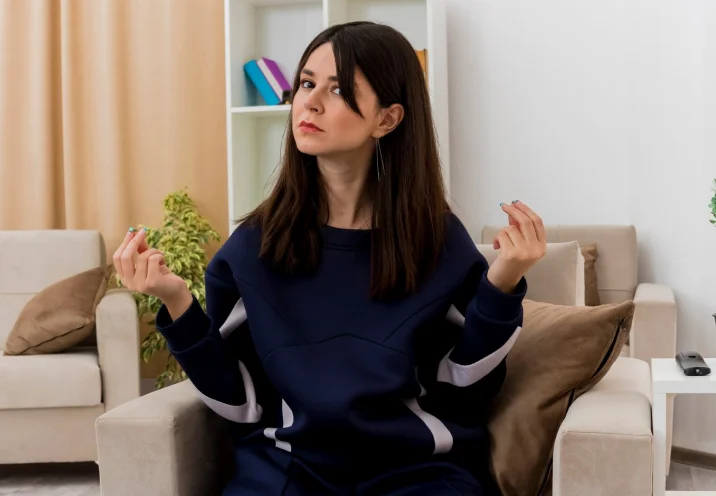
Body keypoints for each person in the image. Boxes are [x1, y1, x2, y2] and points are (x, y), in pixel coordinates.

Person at [113, 21, 546, 496]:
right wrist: (175, 300)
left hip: (416, 471)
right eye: (306, 83)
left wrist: (503, 283)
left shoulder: (437, 240)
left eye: (338, 89)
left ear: (388, 119)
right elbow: (239, 403)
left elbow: (466, 388)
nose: (310, 102)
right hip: (287, 469)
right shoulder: (256, 244)